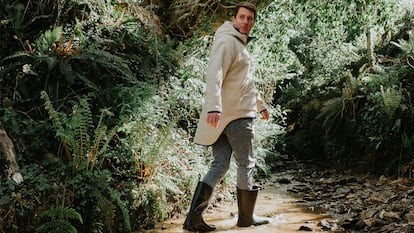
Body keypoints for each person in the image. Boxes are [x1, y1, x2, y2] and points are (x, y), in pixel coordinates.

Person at [183, 2, 271, 232]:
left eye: (250, 19)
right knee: (246, 162)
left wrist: (260, 105)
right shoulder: (227, 41)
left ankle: (193, 219)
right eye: (241, 17)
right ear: (233, 19)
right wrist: (213, 107)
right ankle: (246, 218)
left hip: (225, 116)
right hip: (236, 116)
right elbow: (214, 73)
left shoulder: (238, 44)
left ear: (253, 22)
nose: (245, 22)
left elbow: (245, 83)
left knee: (220, 164)